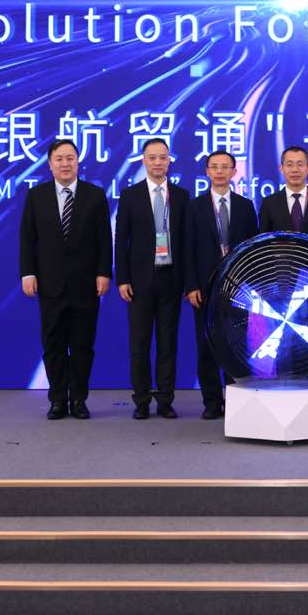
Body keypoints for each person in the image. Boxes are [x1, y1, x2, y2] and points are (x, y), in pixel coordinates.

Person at [19, 139, 112, 420]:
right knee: (53, 344)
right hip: (50, 284)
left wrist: (104, 272)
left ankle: (79, 399)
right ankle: (58, 399)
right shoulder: (37, 196)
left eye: (70, 158)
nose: (65, 164)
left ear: (78, 162)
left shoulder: (95, 195)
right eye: (59, 159)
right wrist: (27, 272)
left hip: (86, 284)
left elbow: (104, 239)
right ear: (50, 164)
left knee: (83, 345)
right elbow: (27, 239)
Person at [114, 138, 189, 420]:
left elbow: (188, 241)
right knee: (140, 345)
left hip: (171, 279)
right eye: (152, 157)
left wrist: (188, 281)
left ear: (169, 160)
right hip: (139, 282)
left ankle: (166, 400)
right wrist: (122, 279)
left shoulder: (181, 196)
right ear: (144, 161)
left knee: (168, 345)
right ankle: (142, 400)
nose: (158, 162)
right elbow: (121, 240)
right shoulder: (130, 195)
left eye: (162, 157)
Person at [183, 150, 258, 419]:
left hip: (238, 289)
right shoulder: (194, 207)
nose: (219, 172)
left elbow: (253, 251)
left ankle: (236, 400)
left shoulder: (245, 206)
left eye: (225, 167)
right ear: (207, 172)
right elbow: (187, 249)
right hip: (203, 288)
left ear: (234, 172)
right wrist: (191, 285)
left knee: (235, 345)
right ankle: (211, 402)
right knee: (206, 346)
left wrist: (250, 288)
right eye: (214, 167)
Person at [257, 145, 308, 243]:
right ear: (281, 168)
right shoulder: (269, 203)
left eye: (300, 164)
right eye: (289, 165)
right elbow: (263, 242)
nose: (295, 170)